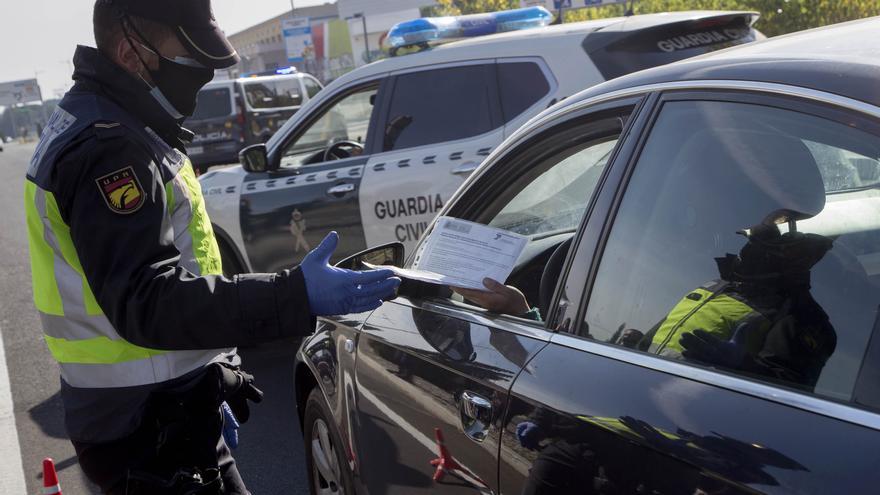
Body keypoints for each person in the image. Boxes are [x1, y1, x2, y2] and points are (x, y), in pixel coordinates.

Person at [23, 1, 399, 493]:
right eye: (190, 55)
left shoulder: (121, 123)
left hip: (158, 412)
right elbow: (147, 300)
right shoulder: (109, 146)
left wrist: (211, 373)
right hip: (146, 429)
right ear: (129, 51)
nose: (202, 73)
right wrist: (294, 294)